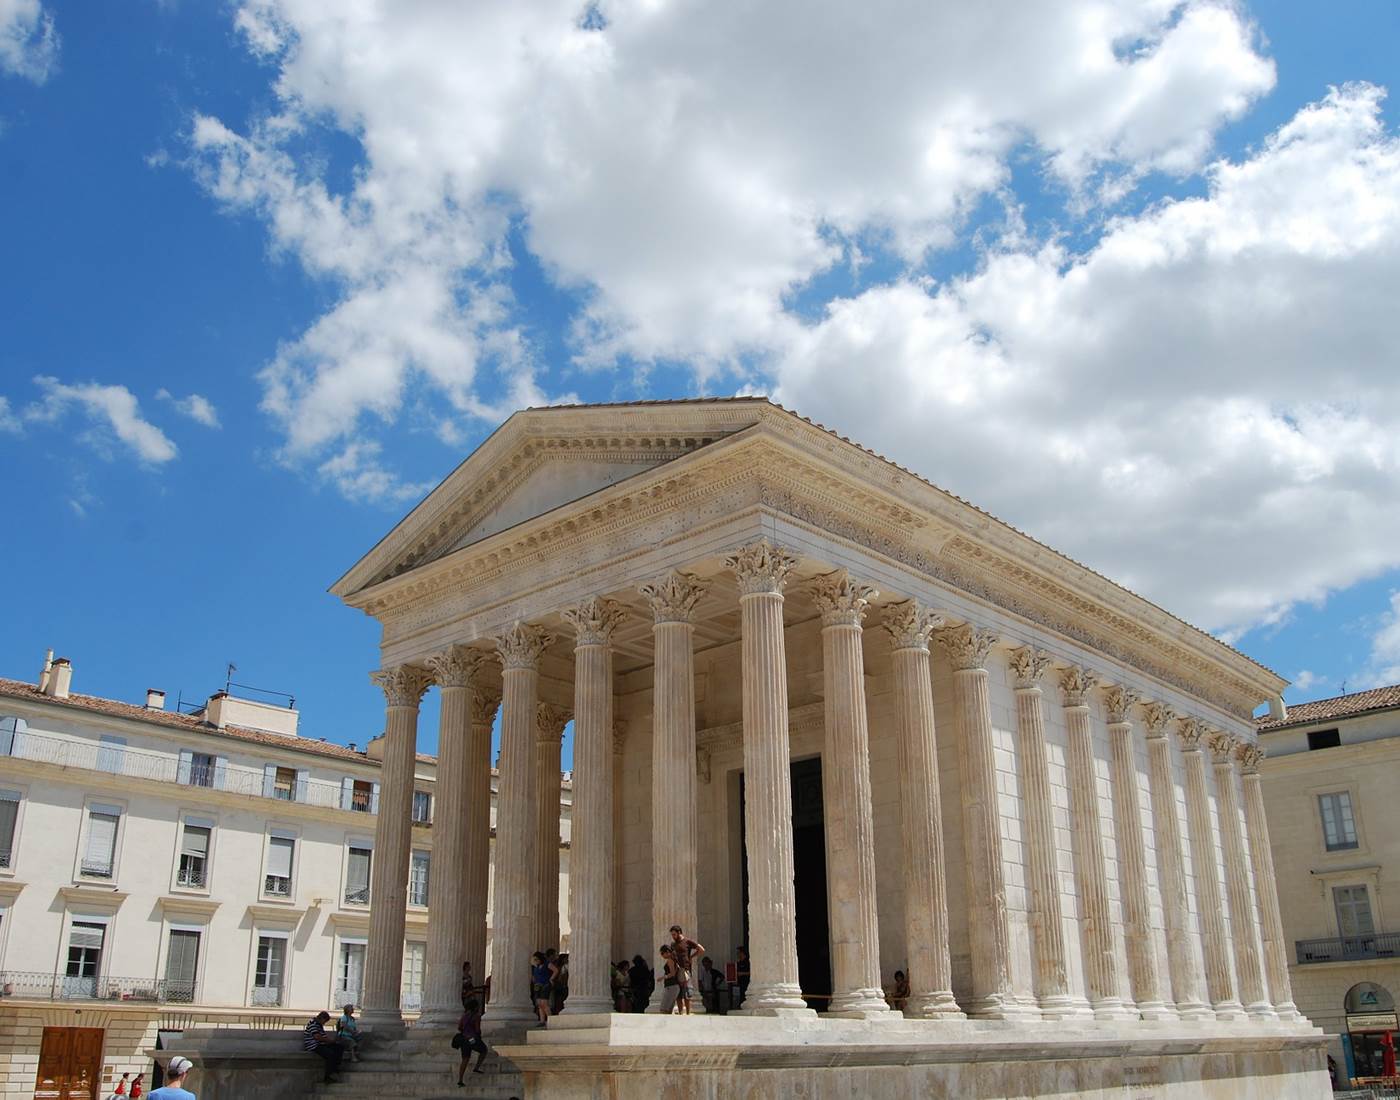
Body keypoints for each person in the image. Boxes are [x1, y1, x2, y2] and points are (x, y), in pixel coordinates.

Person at [668, 926, 703, 1014]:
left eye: (674, 934)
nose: (673, 936)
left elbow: (701, 949)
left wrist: (691, 957)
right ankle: (680, 1012)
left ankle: (688, 1012)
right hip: (676, 970)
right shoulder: (673, 944)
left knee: (687, 991)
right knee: (678, 993)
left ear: (679, 932)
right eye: (672, 935)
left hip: (685, 969)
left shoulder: (687, 942)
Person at [303, 1010, 344, 1082]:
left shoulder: (319, 1025)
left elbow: (323, 1036)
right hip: (314, 1045)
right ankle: (328, 1076)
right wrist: (329, 1041)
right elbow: (317, 1037)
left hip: (320, 1044)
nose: (324, 1023)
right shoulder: (313, 1024)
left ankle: (335, 1068)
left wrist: (332, 1041)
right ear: (321, 1018)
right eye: (325, 1021)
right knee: (330, 1054)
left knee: (339, 1047)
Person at [455, 997, 489, 1084]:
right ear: (475, 1007)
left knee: (465, 1059)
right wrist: (478, 1034)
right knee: (484, 1050)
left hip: (464, 1040)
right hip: (472, 1039)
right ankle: (476, 1067)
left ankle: (460, 1080)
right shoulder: (476, 1016)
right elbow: (477, 1029)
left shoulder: (464, 1016)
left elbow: (459, 1027)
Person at [530, 952, 552, 1027]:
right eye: (534, 959)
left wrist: (551, 979)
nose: (535, 961)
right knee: (539, 1004)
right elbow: (534, 977)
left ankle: (550, 1019)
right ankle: (542, 1020)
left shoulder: (547, 964)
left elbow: (555, 970)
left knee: (544, 1003)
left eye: (536, 959)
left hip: (545, 984)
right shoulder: (536, 967)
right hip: (537, 986)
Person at [657, 944, 680, 1014]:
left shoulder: (670, 960)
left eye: (662, 953)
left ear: (667, 952)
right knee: (668, 1010)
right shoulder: (674, 959)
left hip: (671, 986)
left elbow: (673, 973)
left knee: (663, 1009)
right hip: (673, 986)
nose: (662, 955)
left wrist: (663, 977)